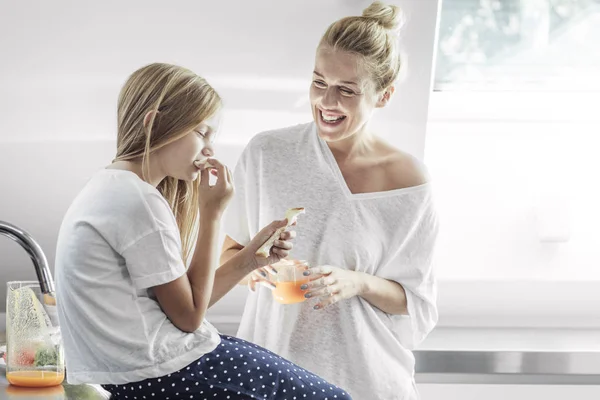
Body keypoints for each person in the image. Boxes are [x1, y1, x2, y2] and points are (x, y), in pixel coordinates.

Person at [54, 62, 352, 400]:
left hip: (148, 372)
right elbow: (190, 318)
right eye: (202, 133)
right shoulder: (139, 201)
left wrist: (252, 258)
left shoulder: (110, 188)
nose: (209, 150)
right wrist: (211, 213)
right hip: (166, 371)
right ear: (155, 122)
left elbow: (184, 304)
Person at [220, 2, 439, 399]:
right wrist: (252, 268)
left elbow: (416, 302)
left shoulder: (408, 183)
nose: (327, 101)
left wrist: (357, 282)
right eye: (319, 82)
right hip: (274, 375)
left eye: (347, 90)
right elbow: (229, 253)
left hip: (367, 381)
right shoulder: (268, 153)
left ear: (384, 96)